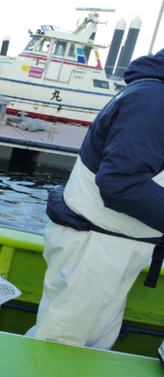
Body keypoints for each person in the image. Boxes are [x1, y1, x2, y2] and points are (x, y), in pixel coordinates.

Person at [25, 49, 164, 350]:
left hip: (109, 247)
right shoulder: (155, 101)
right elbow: (120, 182)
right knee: (56, 351)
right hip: (97, 251)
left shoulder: (151, 94)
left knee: (83, 349)